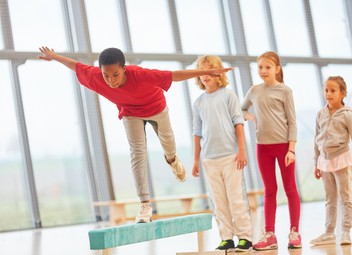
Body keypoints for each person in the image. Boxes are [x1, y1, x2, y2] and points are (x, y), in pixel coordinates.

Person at [38, 46, 233, 223]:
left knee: (168, 143)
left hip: (156, 107)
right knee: (137, 152)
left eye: (115, 75)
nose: (111, 80)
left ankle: (172, 160)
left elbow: (174, 75)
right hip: (130, 113)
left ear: (124, 68)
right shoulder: (96, 77)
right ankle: (145, 204)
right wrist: (54, 56)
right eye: (106, 76)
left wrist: (206, 71)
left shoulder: (139, 74)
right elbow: (75, 66)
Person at [192, 55, 253, 252]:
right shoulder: (198, 102)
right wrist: (195, 160)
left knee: (236, 198)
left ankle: (245, 237)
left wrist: (242, 150)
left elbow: (239, 122)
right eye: (202, 71)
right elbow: (197, 132)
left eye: (210, 71)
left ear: (219, 73)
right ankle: (226, 238)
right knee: (218, 201)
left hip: (231, 156)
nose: (205, 75)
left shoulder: (229, 95)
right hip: (209, 159)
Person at [241, 51, 301, 250]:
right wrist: (251, 117)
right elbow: (241, 110)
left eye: (268, 67)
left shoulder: (285, 91)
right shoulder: (254, 91)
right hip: (262, 148)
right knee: (269, 191)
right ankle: (270, 235)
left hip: (284, 147)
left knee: (290, 188)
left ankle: (294, 232)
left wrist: (291, 150)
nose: (264, 71)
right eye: (260, 67)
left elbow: (292, 122)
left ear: (277, 69)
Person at [311, 76, 352, 246]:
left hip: (341, 159)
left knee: (345, 197)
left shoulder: (348, 115)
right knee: (330, 198)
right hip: (324, 161)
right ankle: (329, 232)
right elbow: (316, 139)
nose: (328, 94)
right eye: (326, 90)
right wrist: (316, 163)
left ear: (343, 93)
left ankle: (346, 231)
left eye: (333, 90)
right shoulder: (320, 114)